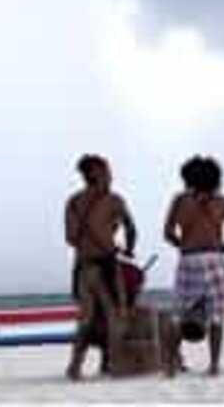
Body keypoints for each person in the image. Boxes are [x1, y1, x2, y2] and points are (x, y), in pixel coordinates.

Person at [163, 155, 224, 377]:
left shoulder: (179, 201)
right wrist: (222, 249)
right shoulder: (223, 202)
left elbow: (168, 233)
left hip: (188, 259)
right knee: (216, 316)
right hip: (214, 259)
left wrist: (182, 244)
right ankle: (214, 365)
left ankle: (170, 366)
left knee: (179, 314)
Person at [63, 153, 135, 380]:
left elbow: (71, 238)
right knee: (116, 316)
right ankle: (113, 364)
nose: (111, 175)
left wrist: (95, 237)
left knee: (85, 319)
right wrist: (126, 248)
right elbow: (131, 228)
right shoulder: (114, 200)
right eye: (107, 171)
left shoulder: (73, 202)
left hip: (83, 268)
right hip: (107, 266)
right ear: (98, 174)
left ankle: (75, 366)